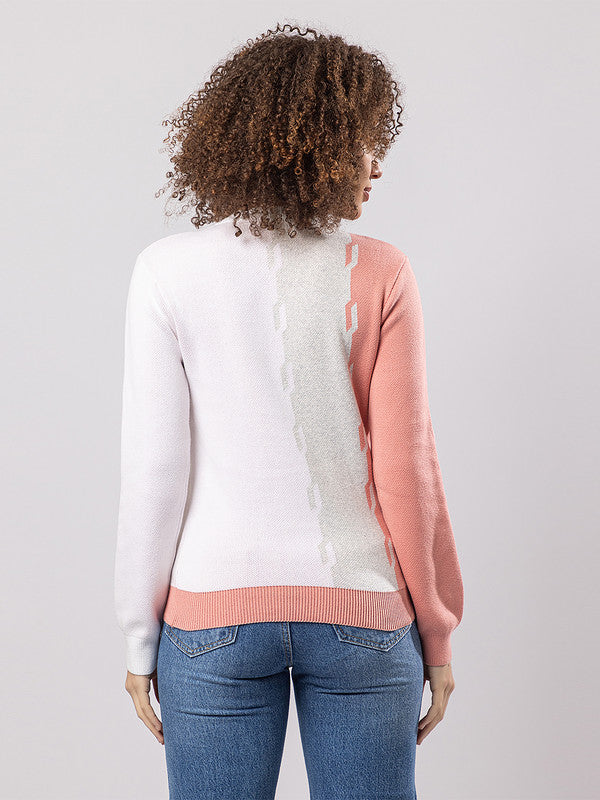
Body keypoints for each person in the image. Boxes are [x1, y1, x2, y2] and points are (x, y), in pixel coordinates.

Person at [114, 22, 464, 800]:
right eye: (362, 141)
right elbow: (405, 466)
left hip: (211, 622)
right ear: (314, 145)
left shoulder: (166, 271)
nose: (377, 163)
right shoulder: (379, 270)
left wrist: (140, 638)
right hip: (362, 615)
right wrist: (437, 632)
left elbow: (154, 469)